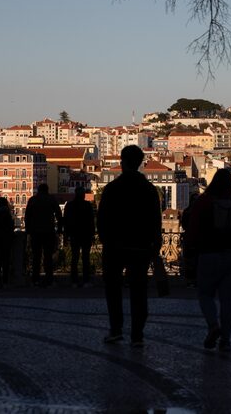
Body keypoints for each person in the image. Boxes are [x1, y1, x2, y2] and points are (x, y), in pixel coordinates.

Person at [186, 168, 231, 352]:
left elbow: (192, 230)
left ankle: (213, 325)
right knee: (227, 299)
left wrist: (189, 254)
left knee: (205, 294)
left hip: (208, 254)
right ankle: (225, 340)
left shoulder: (203, 202)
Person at [97, 145, 162, 346]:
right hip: (141, 246)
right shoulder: (149, 190)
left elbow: (102, 219)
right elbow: (156, 219)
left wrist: (106, 240)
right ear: (140, 163)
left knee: (113, 290)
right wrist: (155, 243)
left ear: (122, 162)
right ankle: (137, 335)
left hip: (115, 246)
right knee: (139, 291)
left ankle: (116, 329)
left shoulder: (112, 189)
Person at [25, 183, 63, 287]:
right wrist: (59, 228)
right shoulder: (51, 199)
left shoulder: (33, 200)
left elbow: (27, 215)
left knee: (36, 257)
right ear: (47, 190)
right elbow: (59, 214)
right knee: (48, 256)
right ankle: (49, 278)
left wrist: (28, 230)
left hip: (35, 232)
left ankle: (35, 279)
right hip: (48, 231)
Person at [64, 186, 96, 287]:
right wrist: (92, 235)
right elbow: (91, 221)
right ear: (83, 195)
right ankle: (86, 280)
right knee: (86, 258)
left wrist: (66, 236)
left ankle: (74, 280)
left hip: (74, 234)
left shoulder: (69, 205)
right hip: (85, 234)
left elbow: (66, 221)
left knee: (75, 258)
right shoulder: (87, 205)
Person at [179, 192, 200, 287]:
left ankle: (192, 280)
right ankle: (192, 280)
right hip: (193, 238)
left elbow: (184, 225)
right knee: (191, 260)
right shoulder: (198, 212)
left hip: (192, 238)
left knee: (192, 260)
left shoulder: (187, 211)